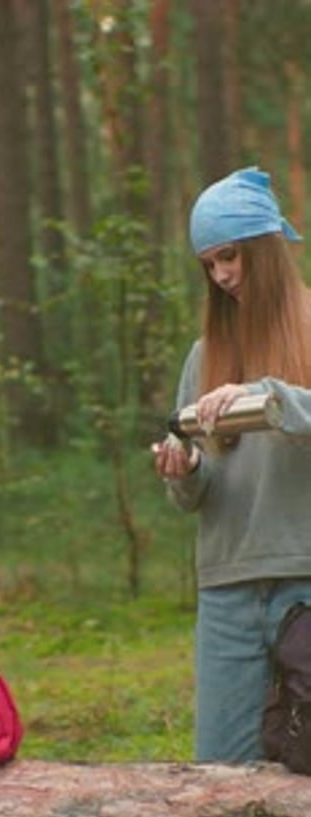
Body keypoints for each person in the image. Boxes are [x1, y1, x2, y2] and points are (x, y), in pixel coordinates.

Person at [152, 165, 311, 763]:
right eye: (209, 265)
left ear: (265, 248)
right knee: (221, 771)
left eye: (230, 257)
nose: (221, 276)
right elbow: (198, 492)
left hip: (304, 579)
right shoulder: (205, 354)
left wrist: (269, 397)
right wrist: (186, 470)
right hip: (227, 587)